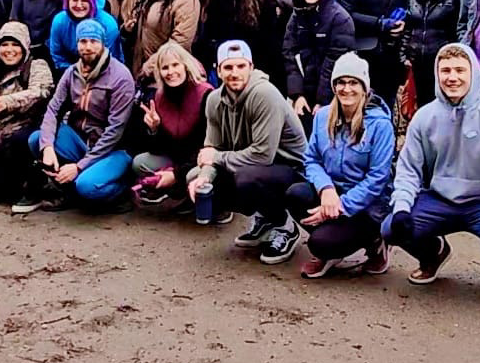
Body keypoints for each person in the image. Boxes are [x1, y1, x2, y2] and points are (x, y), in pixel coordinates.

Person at [383, 44, 480, 304]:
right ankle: (432, 254)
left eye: (460, 70)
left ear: (473, 74)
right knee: (391, 228)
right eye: (445, 70)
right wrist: (401, 207)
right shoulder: (425, 117)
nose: (452, 77)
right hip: (440, 198)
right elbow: (408, 169)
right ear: (437, 74)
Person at [185, 41, 309, 264]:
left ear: (251, 67)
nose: (235, 73)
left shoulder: (264, 94)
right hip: (253, 167)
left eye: (241, 66)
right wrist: (204, 176)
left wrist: (216, 158)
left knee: (246, 178)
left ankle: (284, 226)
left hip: (292, 170)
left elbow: (262, 156)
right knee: (196, 179)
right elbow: (213, 147)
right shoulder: (214, 100)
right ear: (218, 70)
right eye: (228, 67)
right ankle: (266, 218)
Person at [288, 53, 395, 278]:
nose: (346, 89)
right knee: (295, 194)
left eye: (354, 82)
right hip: (333, 192)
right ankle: (331, 248)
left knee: (319, 243)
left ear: (364, 87)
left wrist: (340, 206)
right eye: (341, 82)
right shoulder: (322, 116)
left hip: (367, 207)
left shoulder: (380, 125)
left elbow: (378, 178)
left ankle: (375, 242)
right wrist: (326, 189)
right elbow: (311, 159)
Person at [18, 19, 138, 213]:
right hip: (81, 140)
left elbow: (115, 131)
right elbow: (53, 110)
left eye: (93, 41)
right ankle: (66, 189)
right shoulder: (71, 72)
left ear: (103, 43)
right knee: (37, 139)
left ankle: (121, 190)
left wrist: (79, 167)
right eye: (83, 41)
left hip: (112, 150)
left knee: (86, 187)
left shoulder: (120, 77)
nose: (88, 47)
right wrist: (47, 147)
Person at [0, 22, 54, 202]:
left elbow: (42, 91)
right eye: (4, 44)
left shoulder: (36, 66)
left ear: (24, 46)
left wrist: (8, 101)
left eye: (15, 44)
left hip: (25, 132)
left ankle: (38, 182)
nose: (9, 50)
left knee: (18, 143)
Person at [129, 41, 214, 208]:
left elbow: (207, 146)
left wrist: (176, 174)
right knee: (140, 163)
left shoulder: (206, 95)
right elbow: (159, 149)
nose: (171, 72)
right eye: (165, 67)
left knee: (193, 175)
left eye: (176, 65)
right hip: (177, 158)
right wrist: (154, 129)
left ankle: (209, 203)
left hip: (202, 159)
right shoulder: (159, 97)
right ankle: (177, 191)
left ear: (186, 66)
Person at [338, 0, 409, 108]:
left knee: (387, 104)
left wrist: (402, 24)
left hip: (392, 54)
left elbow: (408, 9)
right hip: (365, 52)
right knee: (364, 105)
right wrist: (379, 24)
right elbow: (347, 13)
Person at [283, 0, 357, 123]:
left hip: (332, 97)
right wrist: (297, 94)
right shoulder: (296, 16)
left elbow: (334, 61)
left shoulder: (340, 19)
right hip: (303, 96)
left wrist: (323, 100)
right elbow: (289, 54)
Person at [403, 0, 460, 108]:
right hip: (417, 62)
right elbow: (408, 27)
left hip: (443, 62)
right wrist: (404, 55)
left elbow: (459, 29)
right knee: (422, 108)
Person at [50, 0, 121, 68]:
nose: (79, 5)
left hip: (104, 68)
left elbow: (111, 57)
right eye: (75, 0)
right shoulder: (59, 21)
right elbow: (57, 54)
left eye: (84, 0)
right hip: (69, 68)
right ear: (68, 1)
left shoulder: (108, 24)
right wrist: (73, 72)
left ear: (92, 1)